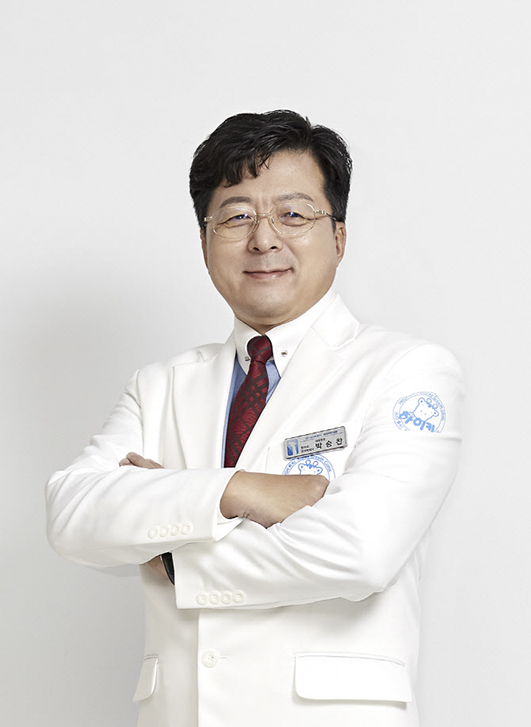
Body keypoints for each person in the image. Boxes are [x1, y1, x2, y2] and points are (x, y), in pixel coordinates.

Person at [46, 110, 464, 727]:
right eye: (237, 216)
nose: (264, 239)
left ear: (339, 236)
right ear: (204, 242)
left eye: (293, 214)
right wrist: (240, 490)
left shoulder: (407, 372)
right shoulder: (160, 386)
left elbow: (360, 550)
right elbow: (72, 514)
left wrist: (172, 552)